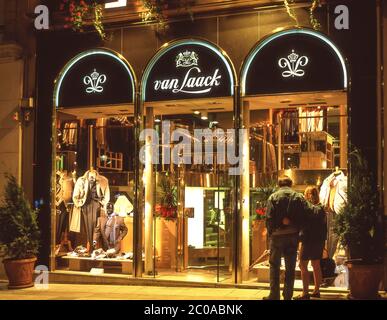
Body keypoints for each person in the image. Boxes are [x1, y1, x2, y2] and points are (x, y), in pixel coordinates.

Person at [263, 175, 315, 300]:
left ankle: (274, 295)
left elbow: (269, 217)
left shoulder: (273, 197)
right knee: (290, 267)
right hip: (292, 236)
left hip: (277, 236)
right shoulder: (298, 196)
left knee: (274, 266)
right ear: (290, 184)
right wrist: (297, 227)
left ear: (279, 184)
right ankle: (287, 295)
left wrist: (272, 232)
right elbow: (307, 213)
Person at [294, 186, 327, 300]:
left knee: (303, 264)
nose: (306, 196)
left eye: (307, 194)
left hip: (309, 241)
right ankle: (316, 290)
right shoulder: (320, 208)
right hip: (317, 241)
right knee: (315, 265)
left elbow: (307, 221)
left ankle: (305, 293)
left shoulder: (313, 208)